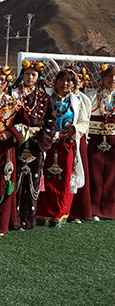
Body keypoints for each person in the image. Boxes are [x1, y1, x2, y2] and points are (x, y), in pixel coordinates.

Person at [36, 69, 89, 227]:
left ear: (73, 84)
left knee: (64, 181)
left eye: (69, 81)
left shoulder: (78, 102)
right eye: (62, 79)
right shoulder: (45, 99)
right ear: (56, 81)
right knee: (45, 179)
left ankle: (59, 215)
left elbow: (84, 122)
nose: (65, 83)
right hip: (47, 146)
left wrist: (75, 129)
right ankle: (42, 214)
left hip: (67, 147)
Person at [0, 66, 29, 235]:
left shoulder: (14, 104)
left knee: (4, 182)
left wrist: (10, 133)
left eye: (3, 80)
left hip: (5, 150)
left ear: (7, 83)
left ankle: (0, 225)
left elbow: (25, 126)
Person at [11, 61, 57, 230]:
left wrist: (40, 143)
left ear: (38, 77)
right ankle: (13, 220)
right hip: (16, 143)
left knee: (33, 181)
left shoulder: (45, 98)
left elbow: (51, 123)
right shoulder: (12, 96)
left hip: (36, 145)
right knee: (14, 180)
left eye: (33, 74)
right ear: (22, 75)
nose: (30, 77)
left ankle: (28, 221)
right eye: (27, 74)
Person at [87, 65, 115, 219]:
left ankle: (110, 209)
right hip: (94, 140)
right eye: (109, 76)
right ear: (102, 78)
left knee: (112, 175)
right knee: (94, 174)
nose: (113, 79)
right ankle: (93, 209)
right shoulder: (91, 97)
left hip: (113, 141)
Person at [67, 67, 94, 223]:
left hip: (78, 138)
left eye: (79, 79)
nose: (76, 81)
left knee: (78, 171)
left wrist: (77, 131)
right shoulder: (57, 96)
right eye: (73, 78)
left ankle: (77, 211)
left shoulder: (84, 99)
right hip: (60, 137)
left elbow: (86, 121)